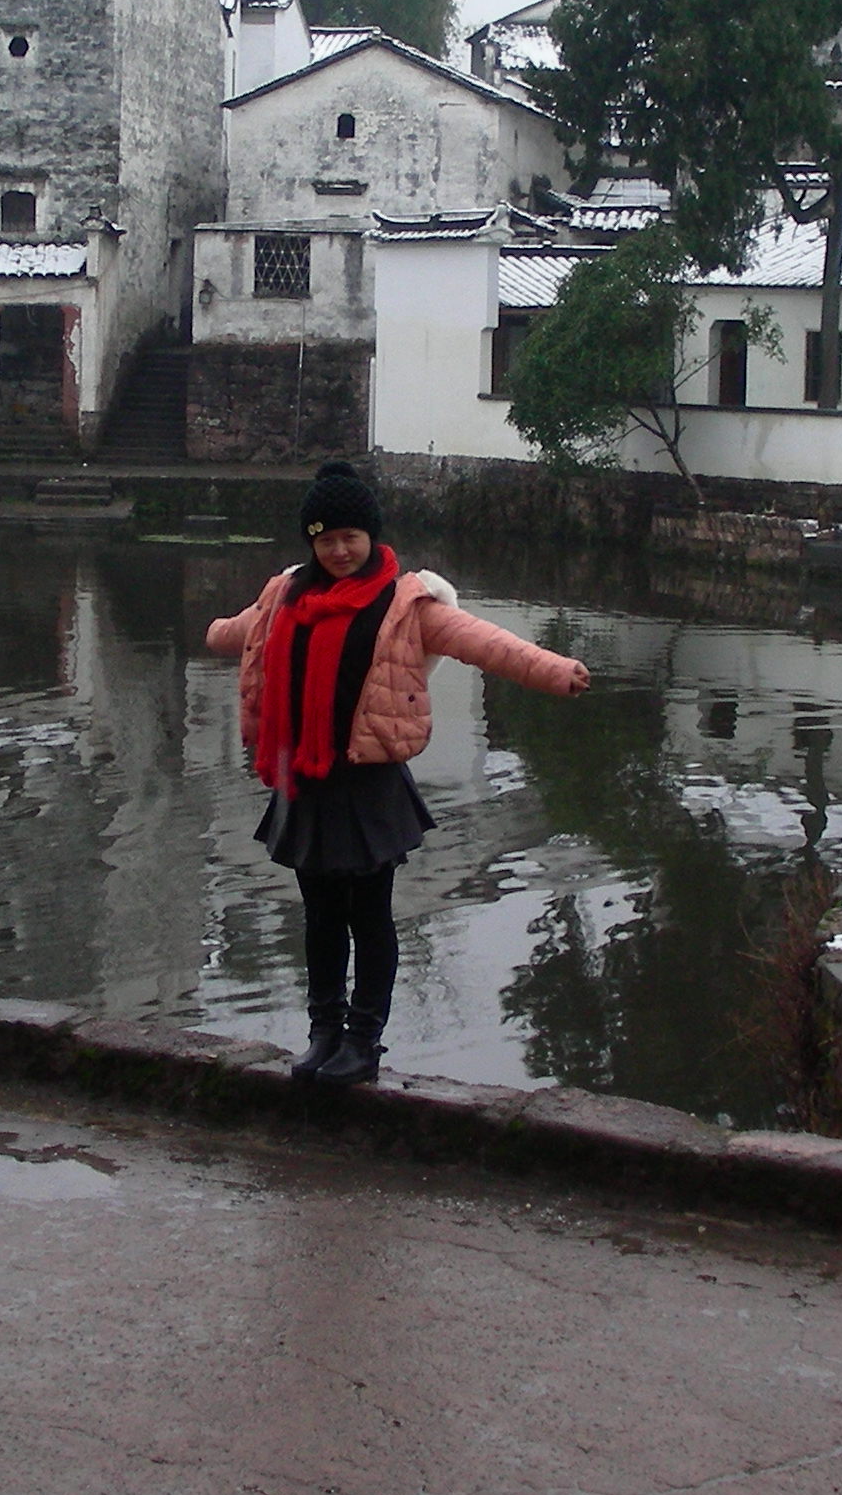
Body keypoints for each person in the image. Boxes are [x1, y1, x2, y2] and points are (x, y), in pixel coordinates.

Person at [207, 462, 589, 1086]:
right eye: (325, 539)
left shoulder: (406, 603)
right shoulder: (287, 597)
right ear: (311, 541)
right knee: (320, 916)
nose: (337, 550)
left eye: (349, 537)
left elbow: (481, 641)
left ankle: (364, 1042)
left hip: (366, 782)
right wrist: (216, 632)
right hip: (306, 780)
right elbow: (241, 633)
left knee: (370, 916)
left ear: (372, 536)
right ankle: (323, 1032)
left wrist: (551, 670)